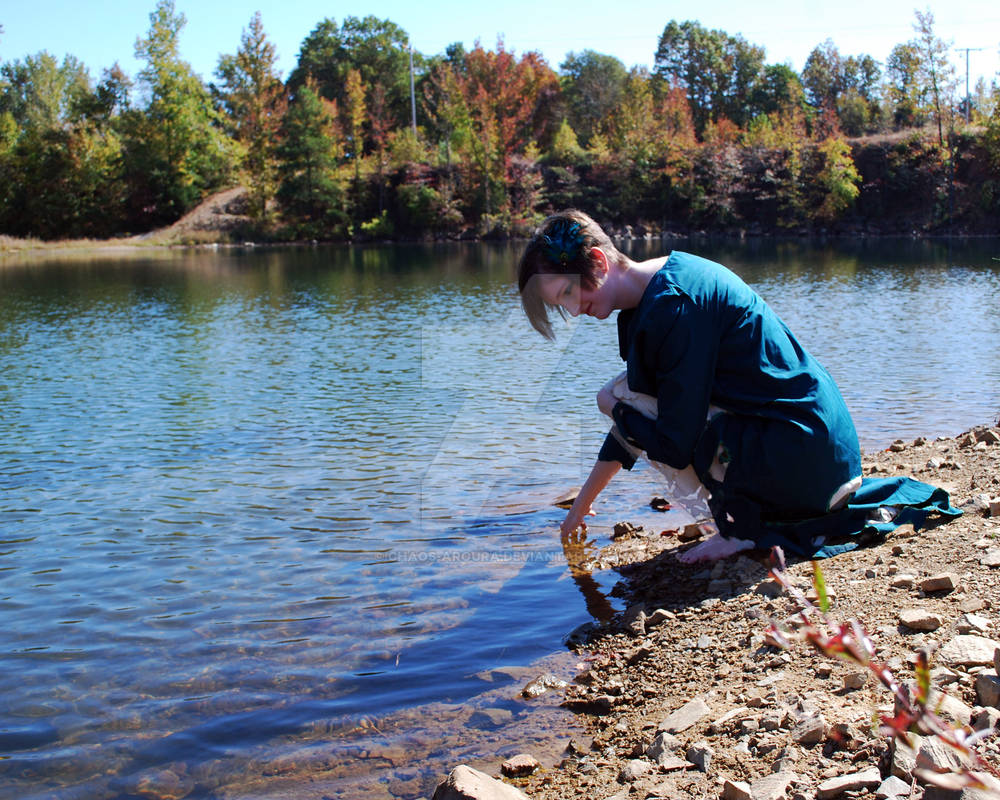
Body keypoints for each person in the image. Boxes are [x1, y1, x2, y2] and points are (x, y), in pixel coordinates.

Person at [518, 209, 864, 562]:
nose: (573, 312)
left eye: (568, 292)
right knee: (625, 395)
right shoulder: (669, 278)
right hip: (827, 459)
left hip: (806, 468)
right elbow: (644, 409)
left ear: (598, 261)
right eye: (561, 304)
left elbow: (673, 444)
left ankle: (741, 530)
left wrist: (612, 407)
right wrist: (582, 504)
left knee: (622, 397)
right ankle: (749, 515)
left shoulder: (673, 306)